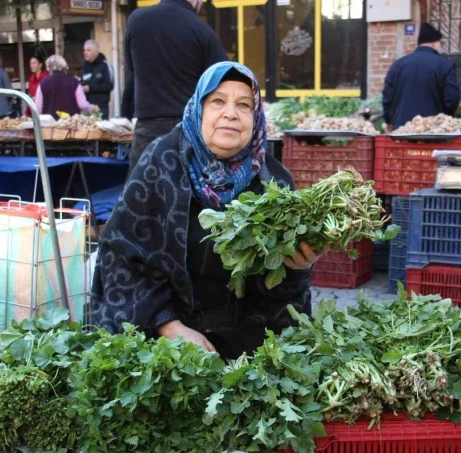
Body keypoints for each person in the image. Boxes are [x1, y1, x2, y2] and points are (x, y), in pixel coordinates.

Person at [92, 62, 321, 358]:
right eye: (218, 101)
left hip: (246, 341)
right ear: (198, 109)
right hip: (165, 334)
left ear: (256, 117)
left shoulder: (274, 184)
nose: (231, 113)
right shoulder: (161, 164)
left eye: (244, 105)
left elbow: (283, 297)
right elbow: (121, 257)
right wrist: (169, 326)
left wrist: (298, 268)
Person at [121, 0, 228, 173]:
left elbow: (132, 73)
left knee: (140, 194)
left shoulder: (136, 20)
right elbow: (224, 81)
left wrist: (124, 115)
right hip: (189, 132)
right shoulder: (202, 30)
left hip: (147, 130)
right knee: (187, 195)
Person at [382, 23, 460, 131]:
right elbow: (451, 99)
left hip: (402, 129)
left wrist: (389, 120)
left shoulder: (398, 65)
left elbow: (387, 98)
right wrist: (447, 119)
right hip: (434, 130)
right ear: (434, 42)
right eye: (440, 43)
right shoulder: (445, 65)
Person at [35, 55, 98, 119]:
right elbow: (82, 105)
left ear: (49, 68)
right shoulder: (74, 82)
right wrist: (93, 108)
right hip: (70, 125)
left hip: (48, 126)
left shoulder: (42, 84)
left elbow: (38, 108)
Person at [80, 40, 113, 119]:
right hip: (86, 109)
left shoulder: (105, 66)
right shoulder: (84, 67)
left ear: (96, 51)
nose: (85, 52)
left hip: (101, 108)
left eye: (88, 50)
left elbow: (109, 86)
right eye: (84, 50)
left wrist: (90, 88)